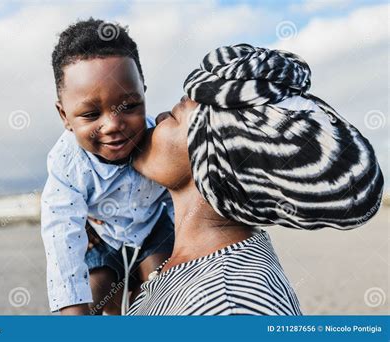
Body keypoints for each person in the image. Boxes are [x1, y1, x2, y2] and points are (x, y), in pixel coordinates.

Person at [127, 44, 384, 315]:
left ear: (212, 158)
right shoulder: (194, 264)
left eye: (175, 116)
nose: (159, 118)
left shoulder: (230, 304)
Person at [41, 18, 174, 315]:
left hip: (154, 229)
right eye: (90, 114)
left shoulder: (159, 140)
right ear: (64, 115)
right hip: (103, 238)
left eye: (129, 106)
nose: (113, 125)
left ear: (143, 93)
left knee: (162, 284)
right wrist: (73, 311)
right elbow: (61, 235)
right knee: (96, 292)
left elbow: (184, 194)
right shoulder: (67, 164)